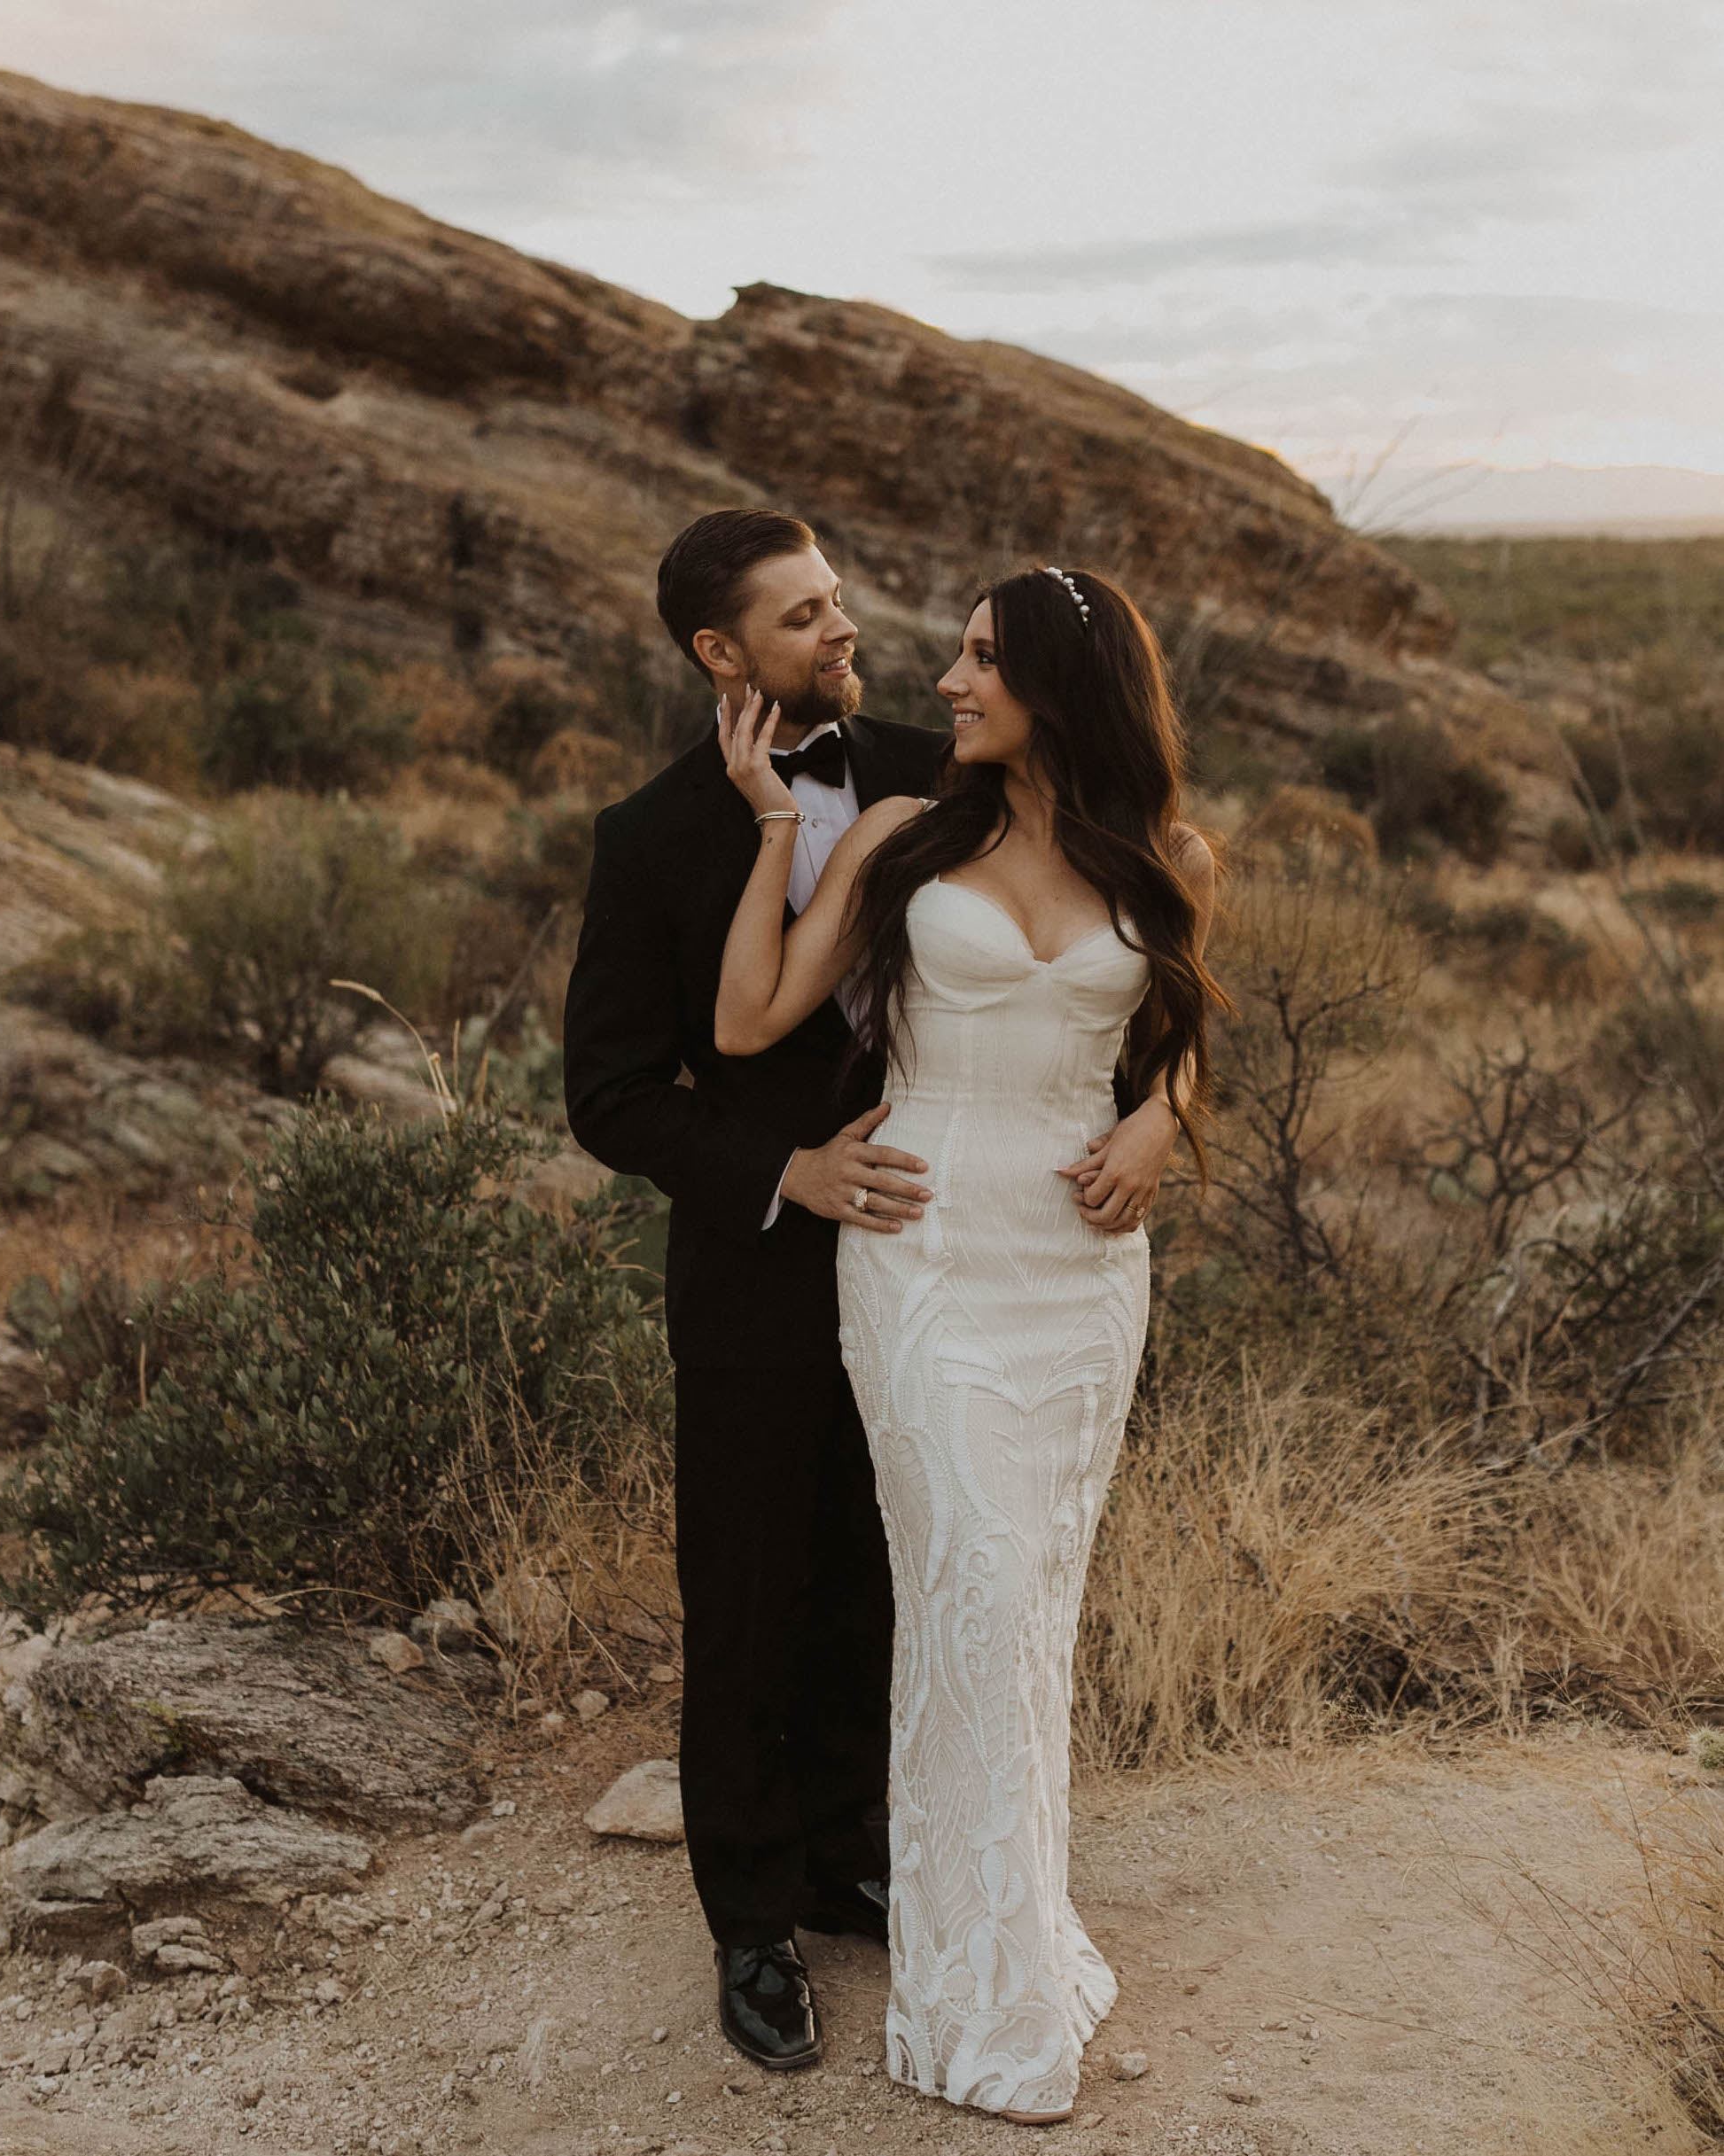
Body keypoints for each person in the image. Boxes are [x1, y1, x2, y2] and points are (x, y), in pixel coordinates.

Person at [711, 563, 1220, 2124]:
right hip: (924, 1252)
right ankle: (980, 1997)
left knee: (1025, 1604)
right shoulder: (894, 839)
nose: (947, 679)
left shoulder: (1170, 856)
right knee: (974, 1585)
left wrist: (1155, 1124)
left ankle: (998, 1942)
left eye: (984, 658)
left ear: (1064, 684)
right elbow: (745, 1024)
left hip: (1075, 1273)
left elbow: (1184, 1054)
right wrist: (772, 828)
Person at [563, 509, 946, 2074]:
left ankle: (851, 1856)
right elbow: (612, 1095)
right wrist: (787, 1172)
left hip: (937, 1252)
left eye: (840, 600)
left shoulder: (941, 765)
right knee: (746, 1587)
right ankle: (750, 1918)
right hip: (754, 1270)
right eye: (802, 619)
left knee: (878, 1560)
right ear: (720, 655)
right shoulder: (650, 836)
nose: (840, 632)